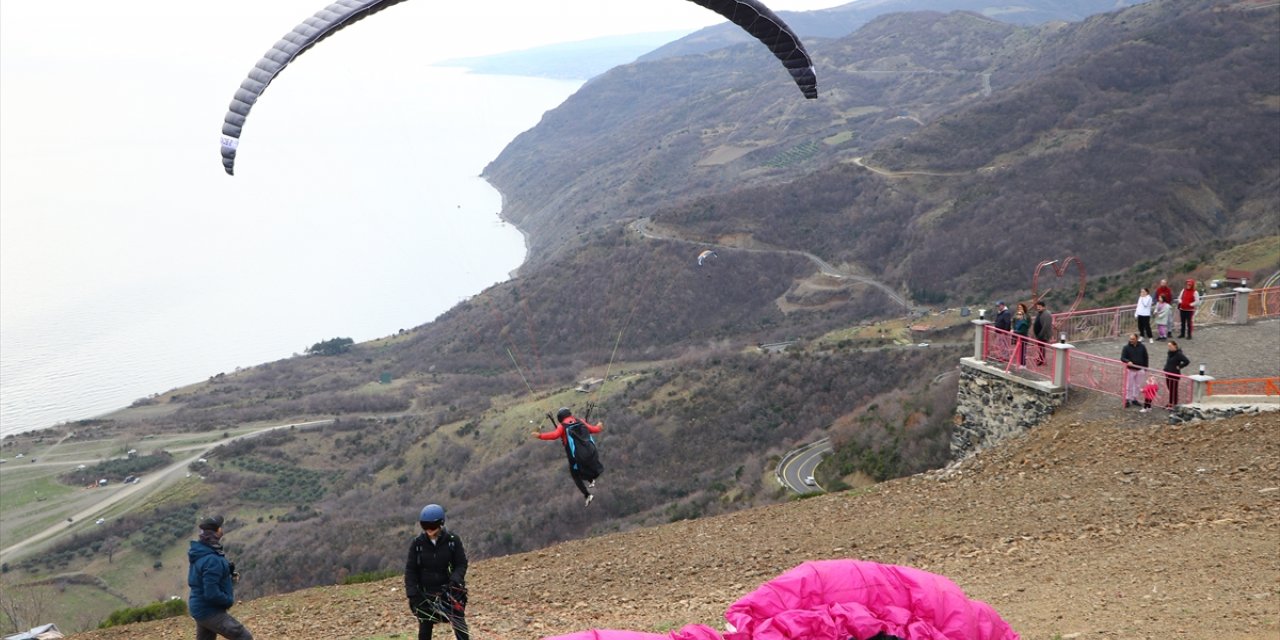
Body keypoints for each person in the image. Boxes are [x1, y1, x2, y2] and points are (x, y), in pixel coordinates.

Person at [405, 503, 469, 640]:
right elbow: (411, 569)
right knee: (425, 629)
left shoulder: (453, 541)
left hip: (449, 591)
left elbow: (461, 563)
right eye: (425, 526)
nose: (429, 530)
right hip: (425, 594)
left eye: (432, 526)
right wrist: (412, 593)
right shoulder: (417, 544)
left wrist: (456, 580)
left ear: (441, 524)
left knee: (460, 626)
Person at [188, 515, 254, 640]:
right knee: (243, 637)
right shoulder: (212, 559)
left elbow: (202, 575)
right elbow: (211, 593)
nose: (221, 529)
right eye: (219, 527)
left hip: (198, 607)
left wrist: (226, 571)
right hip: (209, 611)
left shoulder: (201, 551)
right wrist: (228, 600)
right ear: (215, 532)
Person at [533, 407, 604, 506]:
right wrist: (599, 426)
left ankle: (587, 495)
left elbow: (554, 435)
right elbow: (595, 429)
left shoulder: (562, 426)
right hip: (591, 451)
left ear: (560, 418)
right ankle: (591, 479)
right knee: (584, 465)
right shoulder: (581, 421)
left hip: (576, 456)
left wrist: (540, 436)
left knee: (575, 474)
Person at [1120, 333, 1149, 408]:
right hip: (1130, 369)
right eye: (1130, 339)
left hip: (1140, 369)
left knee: (1137, 385)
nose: (1131, 340)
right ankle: (1127, 399)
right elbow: (1122, 358)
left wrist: (1145, 368)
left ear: (1137, 339)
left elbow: (1146, 357)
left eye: (1133, 339)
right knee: (1129, 385)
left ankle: (1134, 398)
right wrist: (1128, 361)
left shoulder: (1142, 347)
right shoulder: (1126, 347)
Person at [1163, 340, 1191, 408]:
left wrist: (1180, 367)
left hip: (1174, 374)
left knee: (1174, 390)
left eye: (1170, 346)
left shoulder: (1179, 354)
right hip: (1168, 373)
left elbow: (1187, 361)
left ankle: (1174, 403)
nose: (1169, 347)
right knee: (1170, 389)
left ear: (1175, 346)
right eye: (1168, 346)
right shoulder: (1170, 353)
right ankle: (1170, 402)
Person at [1032, 300, 1053, 365]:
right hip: (1039, 334)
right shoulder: (1039, 313)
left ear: (1044, 307)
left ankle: (1041, 360)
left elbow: (1046, 326)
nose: (1038, 308)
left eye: (1040, 307)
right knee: (1040, 347)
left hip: (1043, 335)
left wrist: (1040, 335)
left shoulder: (1047, 314)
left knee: (1041, 347)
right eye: (1037, 307)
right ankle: (1041, 358)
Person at [1011, 303, 1031, 368]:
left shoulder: (1026, 318)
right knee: (1018, 349)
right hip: (1017, 334)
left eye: (1021, 307)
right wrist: (1014, 329)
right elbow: (1014, 322)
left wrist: (1014, 331)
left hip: (1022, 336)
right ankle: (1018, 362)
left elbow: (1026, 326)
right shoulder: (1017, 317)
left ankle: (1023, 364)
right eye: (1019, 307)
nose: (1019, 308)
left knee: (1023, 351)